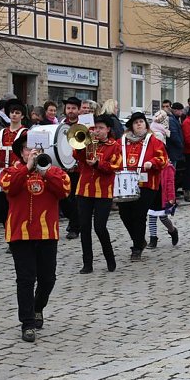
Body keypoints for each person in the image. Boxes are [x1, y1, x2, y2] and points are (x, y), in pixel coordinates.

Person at [0, 135, 71, 343]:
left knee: (48, 278)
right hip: (19, 234)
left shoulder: (53, 170)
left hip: (47, 232)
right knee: (25, 279)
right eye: (27, 149)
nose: (32, 152)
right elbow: (9, 187)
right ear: (21, 152)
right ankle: (27, 323)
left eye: (36, 149)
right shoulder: (11, 171)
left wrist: (46, 171)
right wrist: (27, 168)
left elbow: (64, 190)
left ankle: (37, 306)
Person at [73, 116, 122, 274]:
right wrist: (83, 144)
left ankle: (110, 258)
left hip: (103, 192)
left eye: (101, 128)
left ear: (108, 129)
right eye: (95, 128)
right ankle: (87, 263)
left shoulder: (114, 146)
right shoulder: (89, 141)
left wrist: (98, 164)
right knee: (85, 227)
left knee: (100, 227)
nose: (97, 131)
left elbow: (116, 165)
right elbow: (77, 156)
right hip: (84, 190)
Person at [118, 112, 168, 262]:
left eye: (141, 121)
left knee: (139, 214)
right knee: (124, 214)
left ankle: (137, 248)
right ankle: (139, 240)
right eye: (135, 122)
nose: (139, 124)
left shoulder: (154, 140)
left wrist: (152, 162)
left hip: (147, 183)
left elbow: (163, 159)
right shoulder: (122, 141)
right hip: (126, 184)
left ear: (146, 125)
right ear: (131, 126)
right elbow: (114, 157)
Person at [0, 99, 27, 225]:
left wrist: (19, 163)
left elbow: (27, 152)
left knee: (16, 204)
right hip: (3, 172)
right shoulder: (2, 132)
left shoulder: (25, 133)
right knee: (3, 206)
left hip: (17, 174)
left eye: (17, 112)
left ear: (22, 116)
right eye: (12, 112)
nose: (14, 115)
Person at [60, 96, 83, 239]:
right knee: (63, 198)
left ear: (79, 110)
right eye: (68, 108)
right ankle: (73, 220)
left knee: (75, 198)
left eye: (74, 108)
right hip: (63, 167)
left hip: (79, 168)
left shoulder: (84, 124)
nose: (71, 111)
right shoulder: (61, 124)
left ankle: (75, 227)